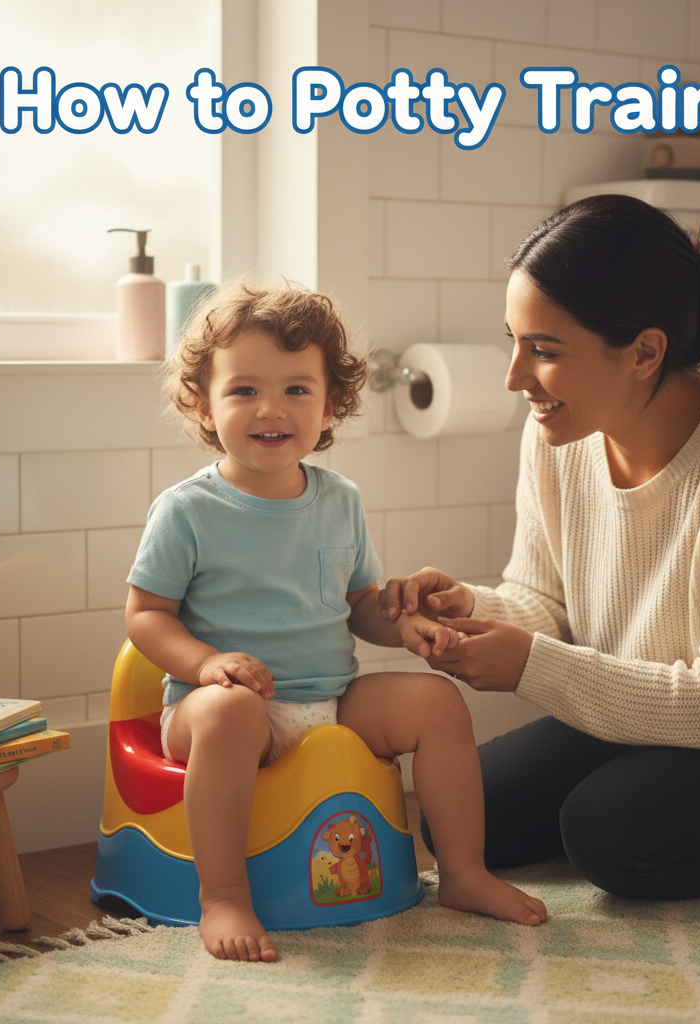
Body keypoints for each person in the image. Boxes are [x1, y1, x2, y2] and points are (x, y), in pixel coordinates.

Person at [378, 193, 700, 901]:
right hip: (663, 709)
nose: (515, 377)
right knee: (453, 808)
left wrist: (528, 665)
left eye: (544, 351)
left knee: (609, 836)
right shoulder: (560, 432)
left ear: (645, 351)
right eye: (515, 341)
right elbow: (544, 600)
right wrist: (470, 608)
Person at [125, 280, 548, 963]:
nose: (271, 408)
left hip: (329, 698)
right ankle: (225, 894)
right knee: (231, 713)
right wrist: (206, 667)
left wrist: (402, 625)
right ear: (204, 403)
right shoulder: (188, 511)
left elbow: (358, 605)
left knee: (436, 702)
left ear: (332, 405)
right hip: (223, 711)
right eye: (244, 391)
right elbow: (146, 615)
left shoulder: (338, 500)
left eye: (297, 389)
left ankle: (464, 872)